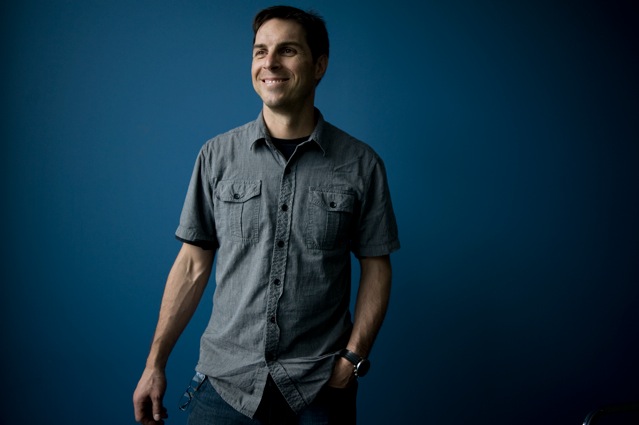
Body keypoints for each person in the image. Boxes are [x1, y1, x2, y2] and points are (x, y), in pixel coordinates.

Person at [133, 5, 399, 425]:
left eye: (287, 50)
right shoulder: (216, 156)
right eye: (260, 51)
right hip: (225, 385)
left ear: (319, 66)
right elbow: (191, 266)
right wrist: (155, 364)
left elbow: (376, 266)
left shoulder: (361, 164)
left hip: (320, 389)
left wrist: (352, 360)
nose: (269, 63)